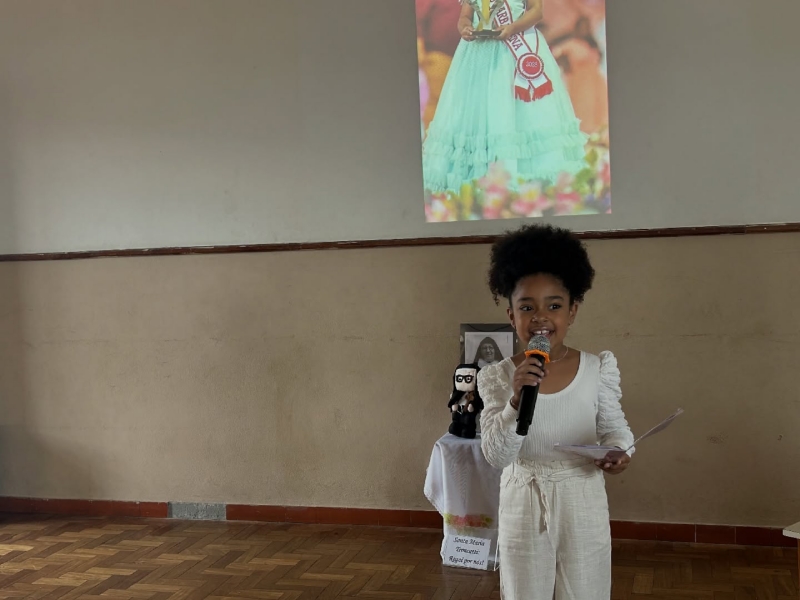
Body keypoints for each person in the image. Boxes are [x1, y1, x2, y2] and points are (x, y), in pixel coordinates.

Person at [478, 223, 633, 599]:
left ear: (572, 311)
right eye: (526, 307)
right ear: (511, 316)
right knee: (525, 591)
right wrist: (516, 401)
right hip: (523, 500)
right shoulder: (498, 377)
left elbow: (614, 427)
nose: (540, 317)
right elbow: (497, 455)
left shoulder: (597, 368)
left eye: (554, 305)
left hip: (582, 498)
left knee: (585, 588)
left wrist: (619, 450)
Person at [421, 0, 588, 196]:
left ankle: (522, 184)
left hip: (517, 51)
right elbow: (465, 16)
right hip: (479, 54)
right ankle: (479, 181)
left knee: (518, 113)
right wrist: (465, 28)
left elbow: (536, 11)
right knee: (479, 115)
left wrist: (512, 28)